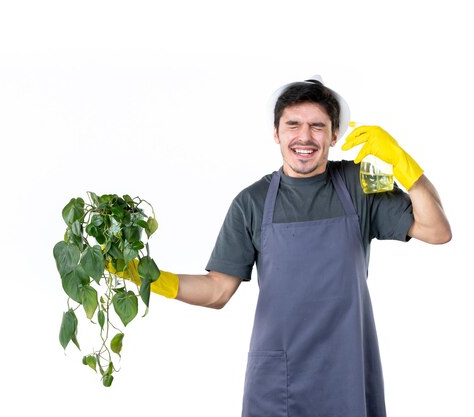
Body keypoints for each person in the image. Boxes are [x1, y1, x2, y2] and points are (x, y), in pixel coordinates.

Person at [118, 76, 451, 417]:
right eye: (293, 125)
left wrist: (404, 165)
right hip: (280, 377)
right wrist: (150, 277)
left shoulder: (361, 180)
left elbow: (437, 229)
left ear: (334, 135)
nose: (305, 137)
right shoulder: (251, 202)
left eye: (317, 126)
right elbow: (217, 290)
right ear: (276, 133)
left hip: (348, 367)